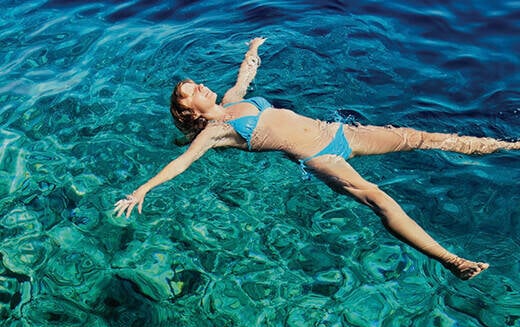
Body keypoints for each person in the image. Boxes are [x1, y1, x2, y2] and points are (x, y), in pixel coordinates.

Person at [114, 38, 519, 280]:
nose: (202, 86)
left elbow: (245, 76)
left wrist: (252, 48)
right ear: (195, 113)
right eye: (194, 92)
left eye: (198, 83)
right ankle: (452, 261)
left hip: (340, 132)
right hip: (320, 157)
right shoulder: (214, 132)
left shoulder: (233, 101)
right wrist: (143, 189)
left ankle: (510, 147)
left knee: (422, 137)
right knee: (378, 199)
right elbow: (183, 162)